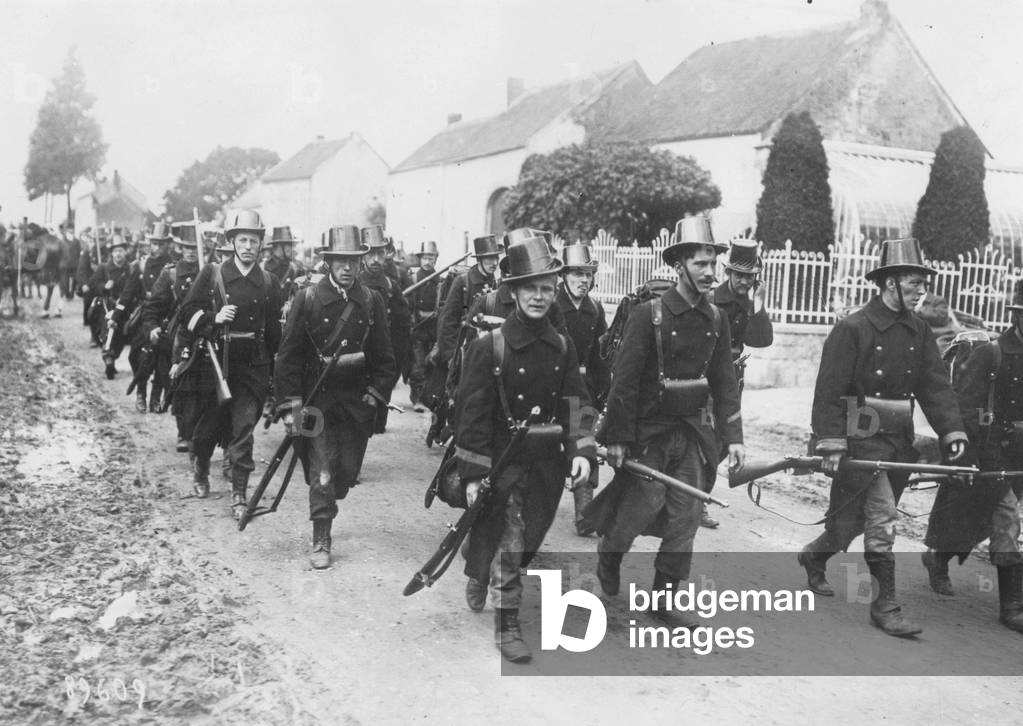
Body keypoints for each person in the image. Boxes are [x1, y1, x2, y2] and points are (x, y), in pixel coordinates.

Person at [798, 237, 967, 637]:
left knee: (851, 523)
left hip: (898, 442)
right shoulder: (853, 328)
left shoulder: (920, 331)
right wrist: (831, 442)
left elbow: (935, 387)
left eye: (923, 285)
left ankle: (814, 556)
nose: (921, 292)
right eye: (913, 284)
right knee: (882, 517)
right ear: (889, 283)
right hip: (860, 440)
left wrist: (951, 431)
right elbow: (829, 391)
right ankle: (886, 607)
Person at [591, 215, 744, 630]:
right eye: (700, 264)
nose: (710, 272)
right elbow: (623, 380)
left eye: (713, 263)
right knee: (638, 509)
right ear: (680, 265)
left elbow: (725, 381)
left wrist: (733, 437)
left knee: (686, 517)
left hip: (694, 433)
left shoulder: (717, 319)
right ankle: (610, 553)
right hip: (651, 432)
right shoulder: (648, 315)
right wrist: (619, 437)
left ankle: (664, 599)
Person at [455, 235, 595, 663]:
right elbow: (471, 416)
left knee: (528, 536)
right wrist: (475, 475)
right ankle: (508, 621)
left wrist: (581, 451)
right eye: (530, 287)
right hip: (503, 462)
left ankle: (479, 566)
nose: (539, 296)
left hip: (547, 467)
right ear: (513, 291)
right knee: (512, 538)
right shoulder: (489, 346)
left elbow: (578, 403)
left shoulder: (562, 347)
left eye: (547, 288)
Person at [274, 225, 396, 569]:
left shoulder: (371, 301)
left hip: (356, 405)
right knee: (323, 471)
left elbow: (386, 357)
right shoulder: (308, 298)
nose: (347, 267)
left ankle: (328, 501)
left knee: (345, 474)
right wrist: (290, 405)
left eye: (353, 261)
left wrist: (375, 394)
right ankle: (321, 537)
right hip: (316, 403)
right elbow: (289, 356)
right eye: (340, 260)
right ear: (329, 261)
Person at [920, 280, 1023, 632]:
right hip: (989, 452)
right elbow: (964, 408)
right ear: (1019, 317)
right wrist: (964, 456)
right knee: (1006, 517)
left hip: (1020, 457)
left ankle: (938, 556)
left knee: (980, 521)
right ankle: (1012, 607)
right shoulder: (991, 354)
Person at [177, 210, 283, 518]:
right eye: (243, 240)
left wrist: (276, 372)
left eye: (254, 240)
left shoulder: (269, 282)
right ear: (232, 242)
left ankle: (239, 493)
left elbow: (275, 331)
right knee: (207, 429)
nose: (248, 246)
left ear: (261, 244)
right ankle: (200, 468)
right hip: (216, 362)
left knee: (244, 429)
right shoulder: (213, 274)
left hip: (253, 365)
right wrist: (213, 318)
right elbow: (187, 314)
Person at [702, 237, 774, 529]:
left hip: (731, 382)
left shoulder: (750, 304)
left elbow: (761, 340)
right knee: (706, 439)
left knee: (722, 442)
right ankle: (696, 500)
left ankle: (694, 496)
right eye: (739, 274)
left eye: (750, 276)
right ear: (728, 273)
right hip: (705, 380)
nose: (744, 281)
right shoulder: (710, 300)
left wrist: (758, 307)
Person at [554, 242, 610, 536]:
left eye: (588, 274)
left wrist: (603, 394)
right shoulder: (552, 307)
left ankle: (584, 515)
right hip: (553, 390)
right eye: (577, 273)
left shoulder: (595, 310)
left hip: (585, 390)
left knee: (586, 444)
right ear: (563, 276)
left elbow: (602, 358)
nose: (583, 280)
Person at [141, 222, 202, 447]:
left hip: (204, 333)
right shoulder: (171, 274)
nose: (191, 251)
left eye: (195, 247)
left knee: (203, 386)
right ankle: (184, 433)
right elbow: (153, 306)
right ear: (179, 248)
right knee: (179, 384)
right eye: (186, 247)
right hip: (177, 336)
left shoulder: (212, 271)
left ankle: (199, 433)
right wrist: (152, 327)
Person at [112, 221, 173, 411]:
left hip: (166, 318)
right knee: (138, 357)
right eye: (154, 243)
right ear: (149, 244)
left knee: (162, 361)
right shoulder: (141, 265)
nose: (157, 248)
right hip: (145, 317)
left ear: (167, 245)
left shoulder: (173, 268)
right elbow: (127, 293)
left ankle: (155, 398)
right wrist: (115, 315)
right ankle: (141, 394)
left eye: (161, 244)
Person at [359, 225, 409, 433]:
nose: (375, 260)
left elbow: (403, 322)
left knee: (377, 423)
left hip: (381, 349)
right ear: (362, 256)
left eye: (380, 253)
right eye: (370, 254)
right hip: (356, 350)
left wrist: (398, 357)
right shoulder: (352, 282)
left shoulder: (390, 285)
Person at [90, 234, 132, 379]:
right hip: (107, 306)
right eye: (115, 251)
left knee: (120, 337)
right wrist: (104, 287)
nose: (118, 254)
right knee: (107, 332)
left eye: (121, 250)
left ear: (125, 252)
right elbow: (93, 285)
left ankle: (113, 357)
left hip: (125, 307)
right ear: (111, 253)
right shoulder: (104, 268)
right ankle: (108, 358)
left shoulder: (130, 269)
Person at [407, 240, 440, 410]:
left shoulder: (440, 280)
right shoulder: (413, 278)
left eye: (431, 258)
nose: (428, 261)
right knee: (418, 365)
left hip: (433, 329)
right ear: (420, 259)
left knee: (432, 363)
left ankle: (429, 397)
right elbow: (407, 304)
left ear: (436, 259)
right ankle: (417, 398)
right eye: (425, 258)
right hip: (417, 329)